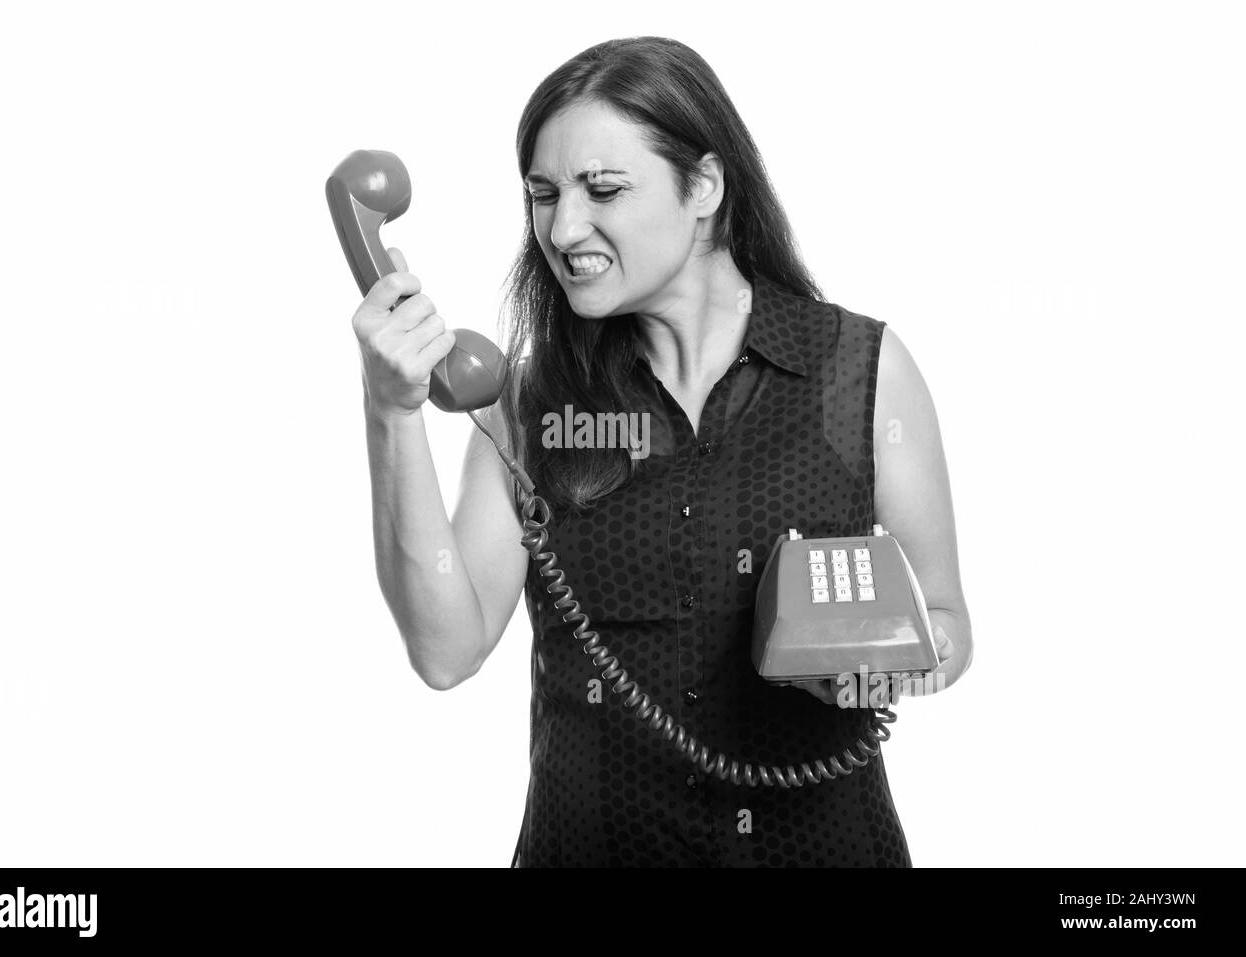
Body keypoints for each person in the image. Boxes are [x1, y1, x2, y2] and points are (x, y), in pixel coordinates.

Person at [350, 36, 973, 867]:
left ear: (704, 186)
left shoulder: (861, 372)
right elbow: (444, 649)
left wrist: (882, 667)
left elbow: (947, 623)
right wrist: (392, 411)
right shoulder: (529, 404)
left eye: (602, 188)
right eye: (543, 194)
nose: (563, 227)